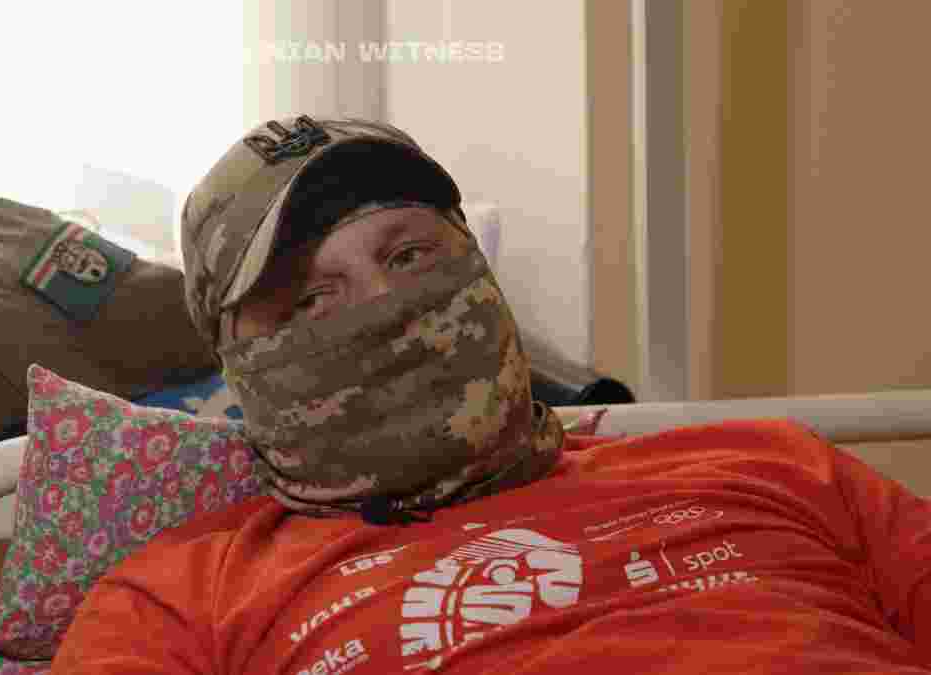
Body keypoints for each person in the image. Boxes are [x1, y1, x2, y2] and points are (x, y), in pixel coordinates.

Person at [53, 116, 930, 673]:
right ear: (237, 361)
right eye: (310, 299)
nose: (387, 307)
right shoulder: (183, 599)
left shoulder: (776, 464)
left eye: (409, 255)